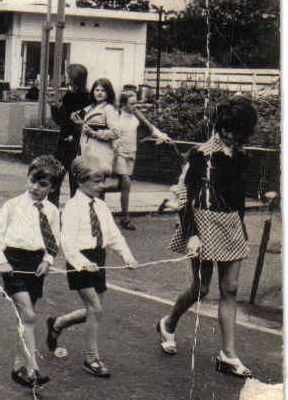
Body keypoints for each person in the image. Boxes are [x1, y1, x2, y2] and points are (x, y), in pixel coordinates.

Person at [158, 96, 258, 377]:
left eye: (235, 130)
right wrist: (191, 235)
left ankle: (228, 354)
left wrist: (240, 227)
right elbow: (184, 197)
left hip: (231, 227)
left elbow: (237, 197)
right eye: (224, 127)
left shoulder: (241, 156)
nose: (227, 134)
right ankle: (168, 323)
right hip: (202, 224)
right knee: (201, 289)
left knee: (231, 288)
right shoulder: (200, 154)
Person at [46, 155, 138, 378]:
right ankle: (91, 358)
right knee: (95, 309)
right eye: (96, 181)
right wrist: (83, 263)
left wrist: (127, 255)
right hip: (79, 261)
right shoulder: (71, 208)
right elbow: (67, 243)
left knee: (93, 310)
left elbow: (113, 235)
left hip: (99, 258)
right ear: (80, 181)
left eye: (103, 180)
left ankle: (58, 323)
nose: (101, 186)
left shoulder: (102, 207)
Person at [0, 155, 64, 388]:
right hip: (13, 263)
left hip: (36, 264)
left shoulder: (51, 211)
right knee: (29, 316)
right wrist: (2, 263)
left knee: (25, 319)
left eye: (43, 184)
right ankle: (33, 369)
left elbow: (54, 239)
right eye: (32, 180)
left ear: (53, 187)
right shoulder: (13, 206)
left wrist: (48, 260)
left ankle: (18, 367)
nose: (35, 187)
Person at [110, 90, 171, 229]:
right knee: (126, 182)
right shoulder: (117, 115)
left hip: (132, 153)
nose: (135, 106)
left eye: (136, 102)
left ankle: (98, 191)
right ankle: (125, 218)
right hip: (118, 154)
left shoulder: (136, 115)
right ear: (124, 104)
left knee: (123, 185)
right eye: (132, 103)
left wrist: (162, 136)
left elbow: (150, 126)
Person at [49, 64, 90, 205]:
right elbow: (61, 121)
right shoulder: (69, 94)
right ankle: (52, 211)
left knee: (75, 181)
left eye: (67, 74)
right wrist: (54, 107)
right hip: (63, 143)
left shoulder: (86, 97)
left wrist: (61, 108)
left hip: (76, 144)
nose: (64, 77)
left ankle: (75, 213)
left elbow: (77, 119)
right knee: (55, 178)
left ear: (74, 77)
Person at [77, 78, 120, 182]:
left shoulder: (108, 109)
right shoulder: (91, 107)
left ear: (108, 93)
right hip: (88, 151)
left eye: (103, 90)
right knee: (89, 184)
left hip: (100, 152)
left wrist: (94, 133)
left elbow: (116, 132)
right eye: (97, 90)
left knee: (97, 185)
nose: (99, 93)